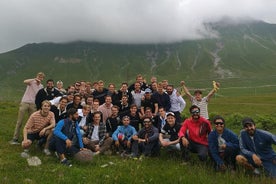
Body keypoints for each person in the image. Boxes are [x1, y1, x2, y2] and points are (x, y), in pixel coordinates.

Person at [10, 72, 45, 145]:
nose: (40, 78)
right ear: (37, 76)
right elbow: (24, 81)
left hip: (33, 104)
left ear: (43, 78)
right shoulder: (31, 82)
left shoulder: (41, 86)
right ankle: (15, 138)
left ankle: (28, 138)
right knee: (20, 121)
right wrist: (34, 79)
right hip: (25, 102)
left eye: (41, 77)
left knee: (32, 123)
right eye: (39, 76)